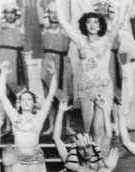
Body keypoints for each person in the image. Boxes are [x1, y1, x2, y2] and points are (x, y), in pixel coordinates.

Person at [53, 0, 129, 147]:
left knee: (98, 127)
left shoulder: (107, 40)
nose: (92, 25)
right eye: (88, 22)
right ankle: (93, 157)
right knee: (88, 129)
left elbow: (119, 21)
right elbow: (63, 22)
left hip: (103, 88)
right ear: (84, 25)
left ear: (100, 25)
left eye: (95, 22)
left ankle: (100, 157)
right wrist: (57, 3)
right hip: (85, 88)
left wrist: (124, 3)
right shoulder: (80, 41)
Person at [0, 0, 29, 125]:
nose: (10, 15)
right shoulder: (0, 25)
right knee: (5, 92)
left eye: (12, 12)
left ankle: (19, 121)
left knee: (18, 92)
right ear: (4, 14)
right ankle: (7, 124)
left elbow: (24, 8)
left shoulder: (19, 24)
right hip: (4, 61)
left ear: (15, 13)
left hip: (17, 62)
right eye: (7, 12)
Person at [39, 0, 75, 136]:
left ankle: (68, 126)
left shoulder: (65, 29)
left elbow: (69, 14)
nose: (54, 15)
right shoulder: (44, 29)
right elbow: (39, 11)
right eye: (51, 12)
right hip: (48, 65)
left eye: (56, 12)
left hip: (63, 64)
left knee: (67, 95)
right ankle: (51, 126)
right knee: (50, 96)